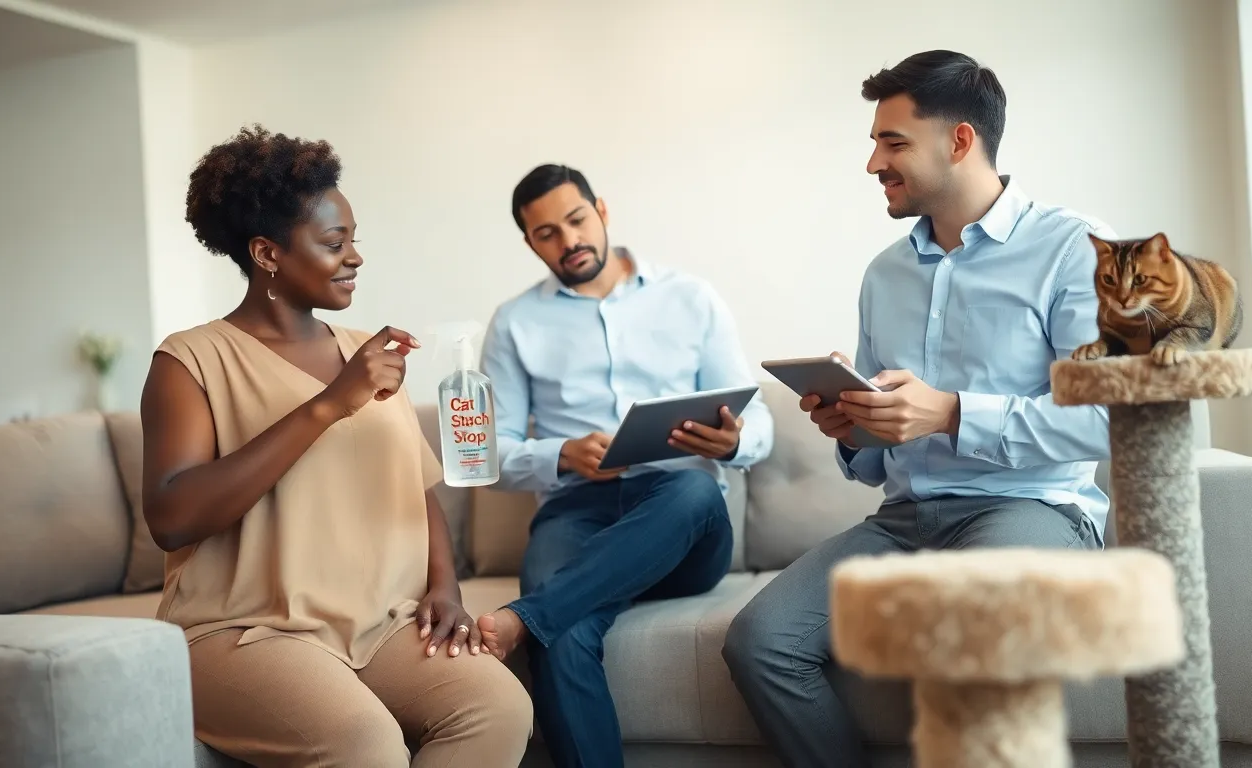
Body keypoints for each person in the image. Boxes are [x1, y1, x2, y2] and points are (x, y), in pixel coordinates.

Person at [721, 50, 1115, 767]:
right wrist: (851, 426)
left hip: (1031, 511)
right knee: (762, 641)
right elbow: (875, 466)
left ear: (959, 141)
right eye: (876, 142)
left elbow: (1110, 422)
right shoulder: (885, 274)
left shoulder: (1073, 249)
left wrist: (953, 413)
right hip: (905, 522)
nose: (873, 162)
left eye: (892, 141)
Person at [140, 125, 532, 768]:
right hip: (239, 632)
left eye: (354, 239)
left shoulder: (366, 352)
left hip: (381, 625)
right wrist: (328, 405)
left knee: (498, 705)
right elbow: (173, 517)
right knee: (363, 743)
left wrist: (446, 587)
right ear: (267, 253)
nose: (355, 257)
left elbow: (417, 488)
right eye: (333, 242)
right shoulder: (191, 360)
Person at [473, 163, 774, 767]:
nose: (569, 241)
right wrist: (559, 454)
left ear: (602, 210)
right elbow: (489, 457)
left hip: (680, 520)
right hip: (575, 510)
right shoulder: (514, 323)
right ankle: (546, 619)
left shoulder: (690, 297)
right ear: (530, 243)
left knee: (694, 493)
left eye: (577, 220)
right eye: (547, 234)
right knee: (564, 640)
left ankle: (527, 618)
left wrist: (732, 443)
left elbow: (757, 419)